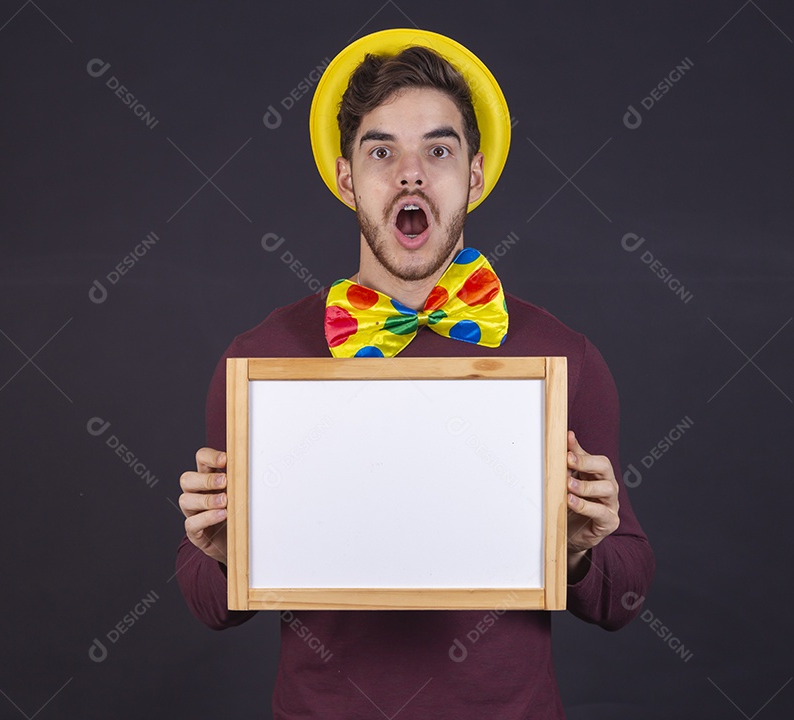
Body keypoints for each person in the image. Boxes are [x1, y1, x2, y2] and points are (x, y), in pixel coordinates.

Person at [176, 29, 654, 718]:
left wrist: (580, 553)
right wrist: (222, 557)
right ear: (347, 178)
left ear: (476, 174)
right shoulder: (260, 361)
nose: (410, 173)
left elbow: (626, 595)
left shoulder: (562, 356)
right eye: (381, 151)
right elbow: (206, 602)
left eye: (438, 149)